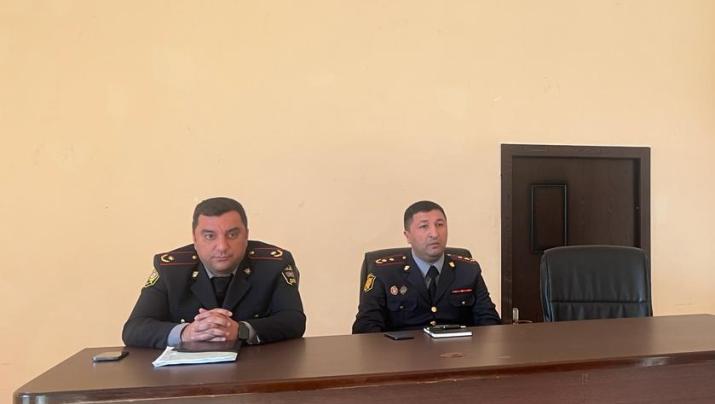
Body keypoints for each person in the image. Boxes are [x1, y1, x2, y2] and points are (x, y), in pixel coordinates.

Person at [123, 197, 306, 349]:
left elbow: (293, 320)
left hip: (258, 371)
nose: (222, 247)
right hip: (187, 376)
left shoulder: (273, 265)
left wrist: (241, 330)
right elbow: (134, 328)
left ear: (246, 235)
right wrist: (186, 332)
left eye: (232, 234)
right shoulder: (171, 269)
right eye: (209, 236)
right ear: (195, 239)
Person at [352, 200, 500, 333]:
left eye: (440, 225)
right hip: (403, 352)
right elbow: (365, 328)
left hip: (457, 351)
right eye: (424, 226)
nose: (434, 234)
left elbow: (489, 322)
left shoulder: (468, 270)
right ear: (407, 235)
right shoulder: (384, 272)